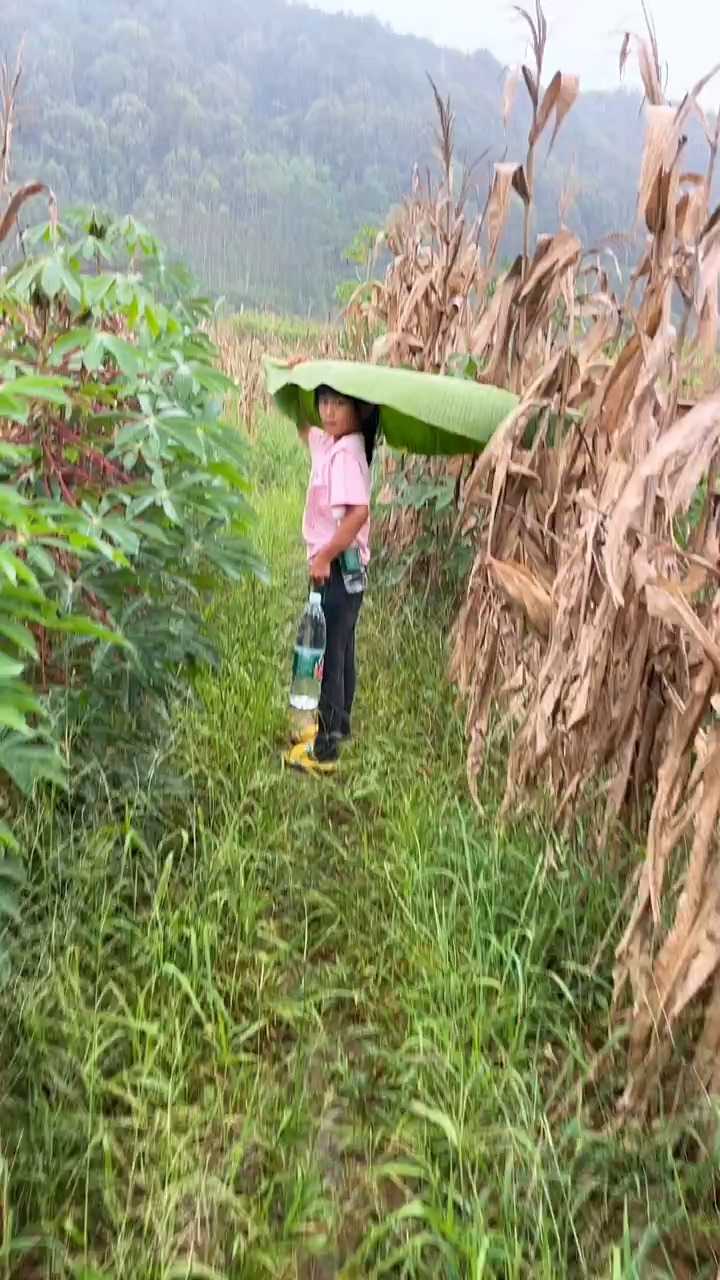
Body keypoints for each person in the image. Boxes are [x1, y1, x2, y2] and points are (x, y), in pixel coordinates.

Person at [285, 382, 379, 775]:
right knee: (341, 648)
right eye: (323, 401)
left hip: (337, 567)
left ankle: (323, 748)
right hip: (345, 567)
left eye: (339, 403)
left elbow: (358, 513)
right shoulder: (334, 444)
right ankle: (339, 727)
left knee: (326, 655)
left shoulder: (345, 454)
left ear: (360, 410)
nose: (328, 411)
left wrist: (323, 557)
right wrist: (296, 384)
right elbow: (305, 429)